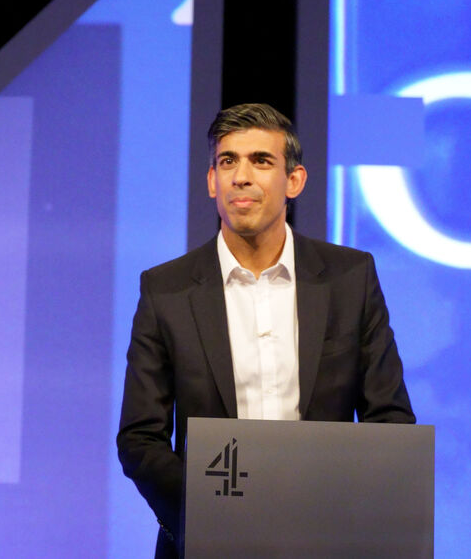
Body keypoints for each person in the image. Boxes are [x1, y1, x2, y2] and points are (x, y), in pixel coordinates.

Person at [116, 103, 414, 559]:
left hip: (327, 541)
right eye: (227, 161)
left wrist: (343, 516)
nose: (241, 176)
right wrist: (209, 518)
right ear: (211, 181)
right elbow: (140, 438)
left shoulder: (350, 278)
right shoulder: (166, 289)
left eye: (261, 160)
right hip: (206, 544)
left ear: (294, 181)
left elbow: (390, 421)